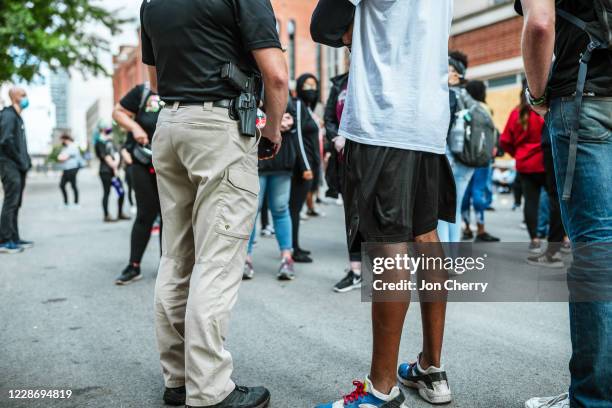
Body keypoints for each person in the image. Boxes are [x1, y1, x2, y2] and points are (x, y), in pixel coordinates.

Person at [140, 0, 288, 406]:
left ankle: (179, 378)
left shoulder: (151, 3)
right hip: (218, 127)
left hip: (170, 127)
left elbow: (155, 82)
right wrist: (272, 131)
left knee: (177, 256)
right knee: (217, 260)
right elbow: (276, 77)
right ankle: (209, 389)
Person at [312, 0, 455, 406]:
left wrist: (362, 37)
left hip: (384, 119)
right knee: (425, 236)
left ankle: (382, 390)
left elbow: (323, 24)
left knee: (388, 244)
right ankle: (431, 368)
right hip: (428, 120)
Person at [517, 0, 612, 407]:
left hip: (584, 96)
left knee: (597, 254)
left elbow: (540, 23)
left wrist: (537, 93)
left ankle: (593, 398)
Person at [500, 86, 565, 266]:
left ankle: (535, 240)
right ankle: (561, 240)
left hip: (526, 164)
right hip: (547, 161)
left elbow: (505, 140)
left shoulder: (517, 113)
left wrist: (518, 154)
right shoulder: (546, 109)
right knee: (555, 201)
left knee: (531, 202)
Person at [112, 83, 163, 285]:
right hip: (142, 160)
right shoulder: (143, 92)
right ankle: (134, 266)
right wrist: (135, 127)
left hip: (172, 161)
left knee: (170, 217)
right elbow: (118, 112)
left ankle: (167, 268)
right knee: (145, 214)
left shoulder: (181, 84)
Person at [244, 104, 297, 280]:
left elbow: (297, 123)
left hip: (281, 162)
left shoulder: (287, 102)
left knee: (280, 209)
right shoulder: (250, 95)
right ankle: (245, 258)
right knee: (252, 211)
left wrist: (289, 123)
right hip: (256, 162)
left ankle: (286, 258)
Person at [323, 70, 362, 293]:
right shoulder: (340, 83)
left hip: (375, 159)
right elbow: (329, 118)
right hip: (345, 161)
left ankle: (381, 271)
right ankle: (355, 271)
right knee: (353, 217)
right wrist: (335, 136)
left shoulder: (376, 74)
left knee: (377, 216)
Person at [437, 51, 477, 243]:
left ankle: (443, 261)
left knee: (442, 211)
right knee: (455, 209)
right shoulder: (469, 97)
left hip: (451, 158)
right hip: (468, 160)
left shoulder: (449, 96)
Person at [461, 80, 500, 242]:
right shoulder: (485, 109)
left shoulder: (464, 107)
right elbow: (493, 134)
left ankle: (467, 228)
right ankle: (481, 229)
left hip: (465, 157)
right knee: (479, 192)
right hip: (482, 159)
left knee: (464, 193)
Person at [290, 73, 322, 263]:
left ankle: (295, 246)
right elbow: (298, 137)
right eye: (307, 86)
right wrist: (305, 166)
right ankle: (293, 248)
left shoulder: (309, 109)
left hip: (311, 166)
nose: (311, 90)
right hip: (303, 167)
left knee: (296, 208)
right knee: (294, 209)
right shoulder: (299, 106)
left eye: (314, 86)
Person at [0, 87, 33, 254]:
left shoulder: (17, 117)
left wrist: (27, 161)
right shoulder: (8, 115)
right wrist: (20, 161)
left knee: (16, 203)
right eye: (23, 95)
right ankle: (5, 240)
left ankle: (14, 237)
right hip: (9, 165)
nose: (26, 98)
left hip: (18, 166)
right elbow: (5, 141)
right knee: (11, 202)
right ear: (14, 98)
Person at [94, 125, 129, 223]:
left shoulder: (111, 143)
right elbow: (105, 157)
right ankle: (106, 215)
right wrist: (114, 166)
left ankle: (120, 213)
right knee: (107, 193)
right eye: (107, 131)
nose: (110, 134)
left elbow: (116, 154)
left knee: (121, 192)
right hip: (105, 171)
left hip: (114, 172)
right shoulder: (100, 143)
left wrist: (116, 167)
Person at [57, 134, 83, 208]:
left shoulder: (73, 146)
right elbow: (60, 157)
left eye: (62, 140)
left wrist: (62, 157)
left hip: (72, 168)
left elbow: (63, 158)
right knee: (62, 185)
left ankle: (76, 203)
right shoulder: (65, 148)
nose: (61, 142)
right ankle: (66, 203)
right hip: (66, 169)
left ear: (65, 139)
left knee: (73, 185)